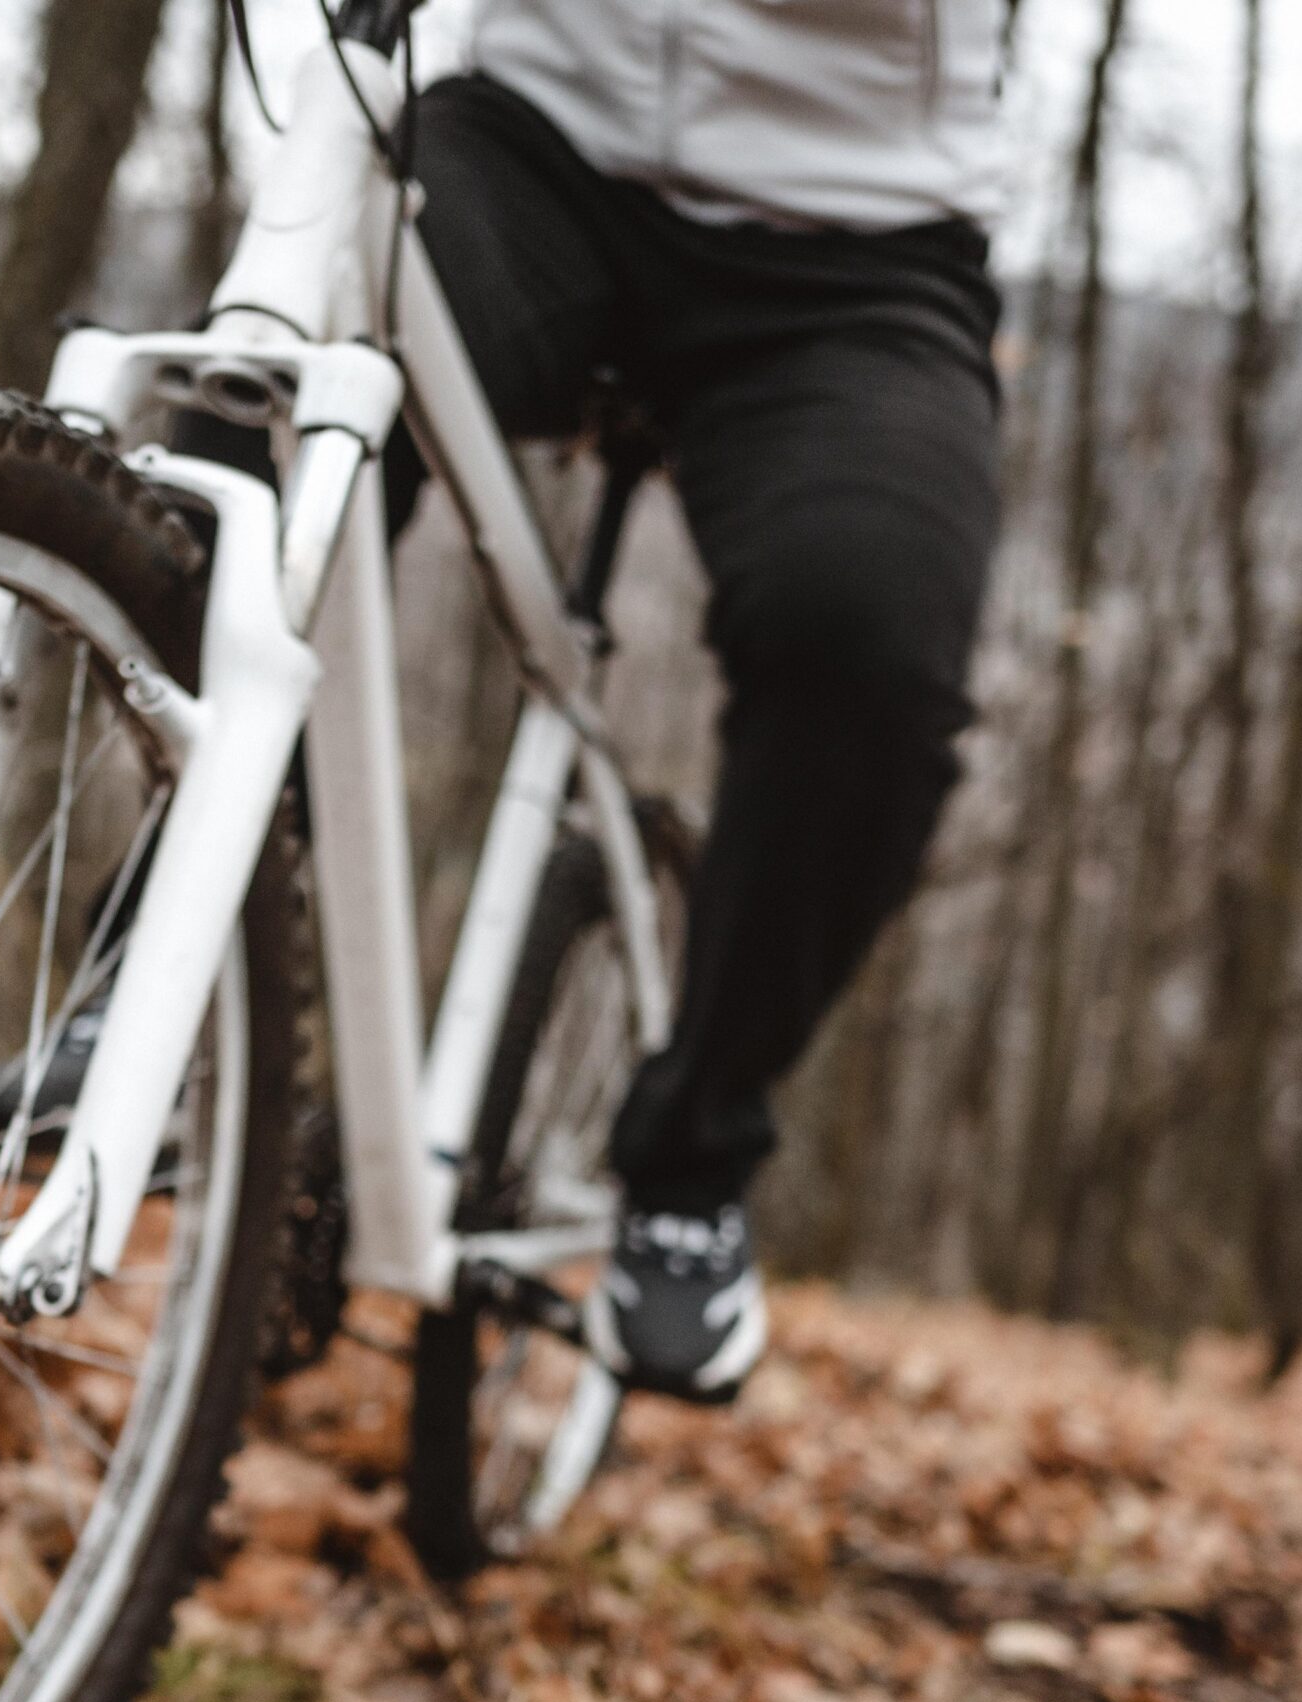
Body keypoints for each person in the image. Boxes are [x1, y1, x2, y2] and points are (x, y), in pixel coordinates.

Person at [416, 0, 1006, 1400]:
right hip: (532, 146)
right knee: (274, 359)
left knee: (869, 648)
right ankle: (164, 943)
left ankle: (693, 1156)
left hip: (854, 240)